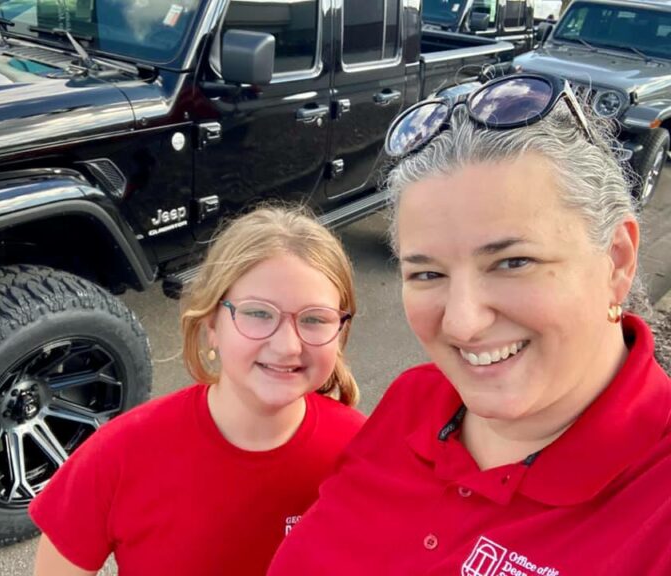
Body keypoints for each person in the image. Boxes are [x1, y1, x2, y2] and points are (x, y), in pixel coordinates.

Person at [268, 74, 671, 575]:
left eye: (512, 262)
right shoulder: (415, 402)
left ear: (616, 260)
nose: (461, 323)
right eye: (428, 273)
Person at [29, 205, 366, 576]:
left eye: (315, 319)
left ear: (341, 332)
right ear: (211, 325)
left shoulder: (365, 453)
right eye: (258, 313)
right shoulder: (121, 454)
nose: (287, 345)